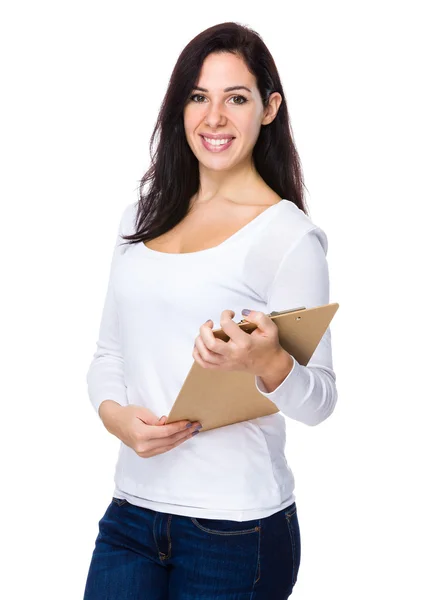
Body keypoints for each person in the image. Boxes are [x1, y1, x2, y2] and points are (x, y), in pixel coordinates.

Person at [83, 21, 338, 600]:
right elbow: (108, 353)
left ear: (269, 108)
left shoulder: (288, 238)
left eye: (236, 98)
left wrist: (269, 360)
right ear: (180, 107)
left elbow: (321, 400)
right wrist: (116, 418)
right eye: (199, 96)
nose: (214, 117)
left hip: (236, 529)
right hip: (130, 516)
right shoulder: (140, 218)